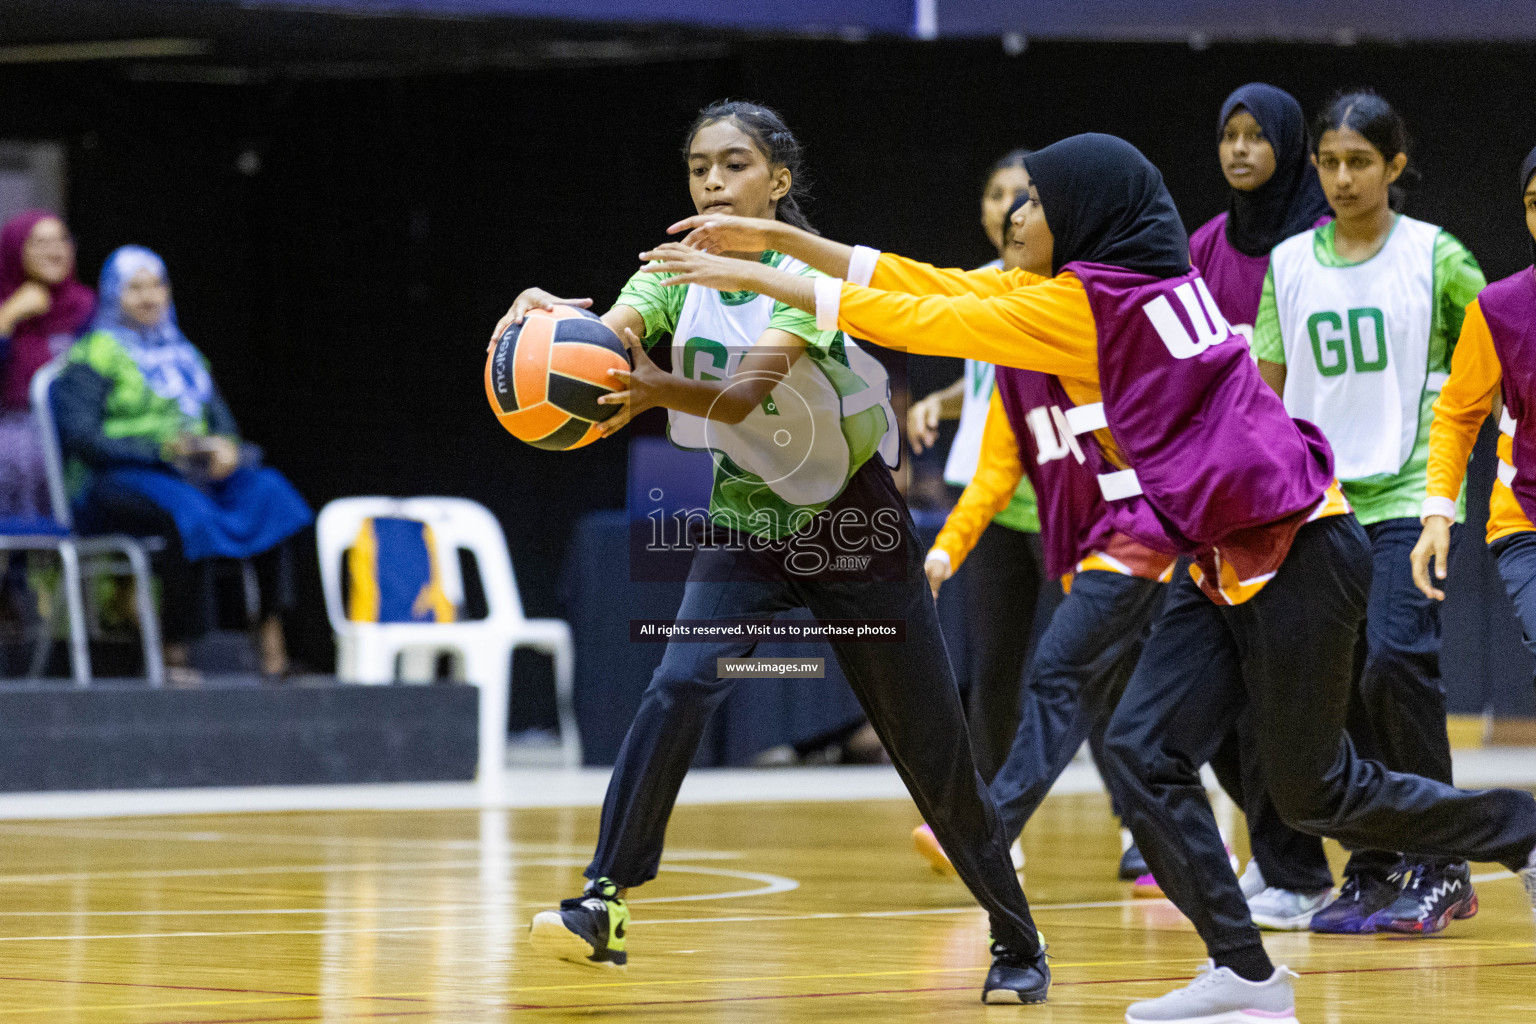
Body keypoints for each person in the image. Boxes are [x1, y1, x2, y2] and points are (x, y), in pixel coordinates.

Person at [647, 131, 1536, 1024]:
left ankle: (1522, 832)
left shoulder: (1089, 310)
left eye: (1035, 200)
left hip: (1301, 548)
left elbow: (919, 314)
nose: (1017, 215)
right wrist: (777, 244)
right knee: (1143, 753)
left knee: (1319, 791)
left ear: (1084, 217)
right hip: (1223, 555)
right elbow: (930, 282)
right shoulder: (1119, 285)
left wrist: (756, 272)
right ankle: (1247, 975)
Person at [513, 100, 1050, 1005]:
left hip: (853, 533)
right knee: (680, 683)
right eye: (698, 168)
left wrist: (647, 398)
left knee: (933, 753)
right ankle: (602, 901)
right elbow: (613, 339)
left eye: (733, 165)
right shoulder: (673, 271)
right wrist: (548, 330)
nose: (713, 183)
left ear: (779, 181)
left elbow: (744, 397)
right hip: (744, 529)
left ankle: (1016, 936)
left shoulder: (802, 280)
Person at [1253, 92, 1487, 936]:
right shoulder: (1288, 265)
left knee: (1394, 664)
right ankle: (1378, 862)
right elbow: (1267, 392)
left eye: (1361, 161)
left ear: (1394, 165)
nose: (1343, 177)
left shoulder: (1438, 257)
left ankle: (1445, 862)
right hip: (1320, 502)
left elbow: (1499, 358)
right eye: (1329, 161)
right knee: (1339, 682)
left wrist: (1449, 491)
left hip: (1409, 494)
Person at [911, 195, 1174, 884]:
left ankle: (997, 827)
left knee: (1097, 692)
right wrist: (946, 548)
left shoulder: (1107, 327)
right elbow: (995, 469)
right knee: (1064, 684)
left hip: (1153, 541)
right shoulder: (1010, 359)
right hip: (1085, 551)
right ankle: (1008, 831)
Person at [1186, 82, 1339, 930]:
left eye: (1256, 136)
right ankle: (1283, 861)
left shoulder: (1320, 245)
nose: (1240, 150)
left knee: (1291, 703)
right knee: (1217, 709)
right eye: (1227, 134)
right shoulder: (1205, 246)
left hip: (1307, 491)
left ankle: (1315, 866)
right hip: (1224, 500)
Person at [54, 246, 312, 681]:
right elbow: (82, 437)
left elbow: (222, 422)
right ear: (113, 294)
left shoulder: (185, 356)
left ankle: (270, 632)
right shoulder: (93, 355)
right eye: (134, 288)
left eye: (157, 286)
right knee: (186, 513)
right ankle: (173, 648)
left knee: (270, 494)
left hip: (190, 472)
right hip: (117, 478)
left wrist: (226, 447)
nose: (149, 297)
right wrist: (159, 451)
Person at [1412, 145, 1536, 919]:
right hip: (1525, 522)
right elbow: (1457, 413)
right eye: (1533, 200)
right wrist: (1436, 512)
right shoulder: (1501, 308)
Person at [908, 150, 1049, 787]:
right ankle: (993, 822)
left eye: (1024, 194)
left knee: (1089, 666)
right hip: (985, 491)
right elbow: (989, 381)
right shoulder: (977, 282)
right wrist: (942, 400)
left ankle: (1140, 827)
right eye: (996, 193)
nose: (1009, 205)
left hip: (1055, 491)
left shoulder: (1064, 282)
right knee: (995, 664)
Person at [0, 210, 94, 519]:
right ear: (15, 249)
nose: (54, 251)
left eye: (62, 241)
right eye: (40, 243)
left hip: (77, 431)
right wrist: (10, 315)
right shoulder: (6, 304)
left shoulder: (89, 308)